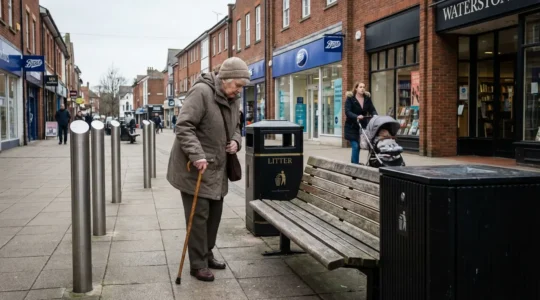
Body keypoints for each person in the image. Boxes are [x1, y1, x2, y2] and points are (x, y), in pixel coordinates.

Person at [167, 57, 248, 282]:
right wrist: (197, 154)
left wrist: (235, 141)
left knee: (214, 215)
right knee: (198, 216)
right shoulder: (201, 93)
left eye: (242, 87)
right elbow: (183, 126)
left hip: (218, 168)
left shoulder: (234, 98)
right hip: (196, 168)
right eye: (237, 86)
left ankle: (207, 252)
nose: (239, 91)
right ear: (225, 79)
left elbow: (237, 126)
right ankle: (197, 264)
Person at [345, 82, 377, 164]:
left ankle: (356, 164)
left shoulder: (367, 99)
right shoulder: (350, 99)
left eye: (364, 87)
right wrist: (356, 116)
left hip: (363, 126)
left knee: (363, 146)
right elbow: (347, 112)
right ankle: (355, 166)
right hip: (351, 127)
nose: (362, 88)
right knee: (355, 146)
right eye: (360, 87)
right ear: (356, 88)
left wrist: (375, 115)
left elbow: (372, 109)